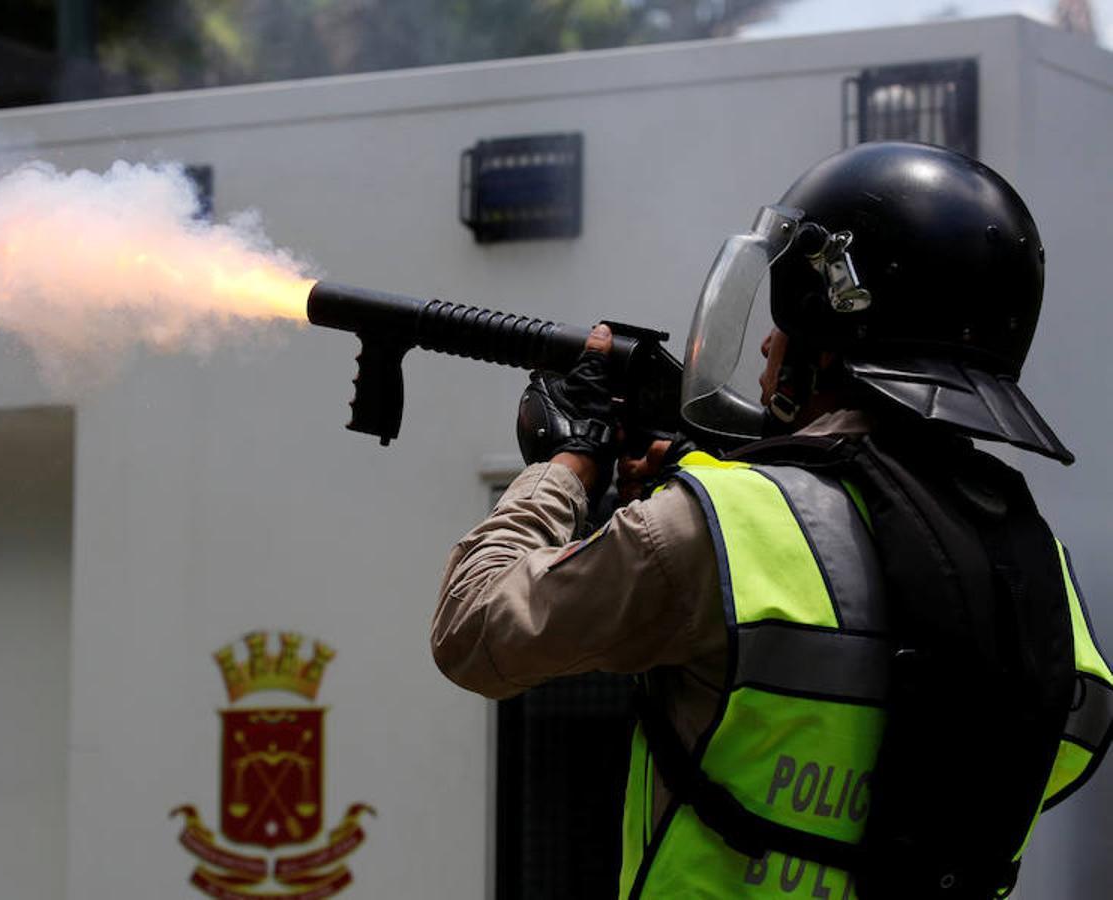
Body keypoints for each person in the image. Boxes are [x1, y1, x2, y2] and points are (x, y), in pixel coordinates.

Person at [432, 142, 1113, 899]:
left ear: (836, 324)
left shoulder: (718, 525)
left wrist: (567, 463)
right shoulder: (1038, 569)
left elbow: (475, 631)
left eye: (785, 313)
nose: (766, 341)